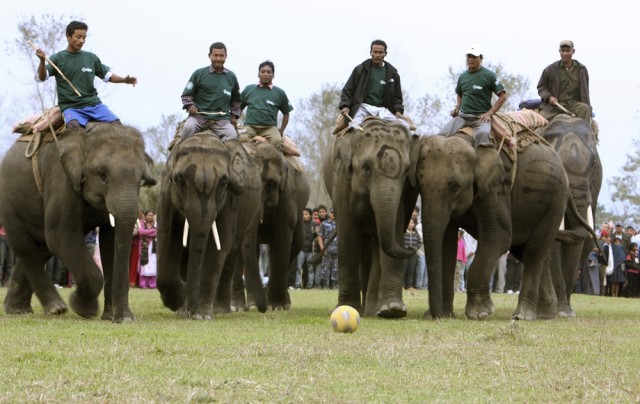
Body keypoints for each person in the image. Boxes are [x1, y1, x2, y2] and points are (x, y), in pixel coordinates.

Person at [35, 20, 137, 128]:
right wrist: (42, 61)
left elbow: (108, 75)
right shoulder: (58, 58)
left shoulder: (91, 58)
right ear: (68, 36)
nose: (82, 41)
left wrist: (124, 80)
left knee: (118, 127)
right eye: (78, 37)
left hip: (94, 105)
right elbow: (41, 77)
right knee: (73, 131)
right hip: (72, 108)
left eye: (84, 38)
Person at [438, 45, 507, 148]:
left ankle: (482, 161)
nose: (471, 59)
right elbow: (460, 94)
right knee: (441, 135)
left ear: (481, 58)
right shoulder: (463, 76)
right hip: (463, 116)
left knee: (482, 135)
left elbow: (503, 96)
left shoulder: (489, 75)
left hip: (480, 118)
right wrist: (458, 107)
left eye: (474, 57)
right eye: (469, 56)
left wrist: (490, 113)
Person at [339, 39, 409, 131]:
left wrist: (398, 111)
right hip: (363, 107)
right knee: (353, 128)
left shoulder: (393, 74)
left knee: (405, 127)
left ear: (385, 54)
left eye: (380, 52)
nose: (377, 55)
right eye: (375, 52)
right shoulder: (360, 70)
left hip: (383, 110)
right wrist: (345, 106)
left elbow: (397, 97)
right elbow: (348, 90)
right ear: (370, 52)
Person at [178, 42, 241, 141]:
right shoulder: (199, 73)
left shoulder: (231, 77)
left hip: (222, 121)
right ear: (209, 56)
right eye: (215, 55)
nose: (218, 58)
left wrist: (234, 116)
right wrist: (190, 106)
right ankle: (176, 153)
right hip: (198, 118)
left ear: (226, 56)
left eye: (221, 55)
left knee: (232, 135)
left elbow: (236, 101)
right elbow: (186, 96)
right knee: (187, 128)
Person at [240, 60, 293, 151]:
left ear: (273, 75)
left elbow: (286, 114)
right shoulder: (249, 89)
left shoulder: (279, 93)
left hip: (269, 128)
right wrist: (235, 122)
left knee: (276, 141)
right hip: (250, 126)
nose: (265, 74)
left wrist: (281, 131)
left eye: (269, 72)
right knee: (239, 138)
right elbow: (238, 108)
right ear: (258, 74)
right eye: (263, 72)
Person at [537, 40, 591, 124]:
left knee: (585, 109)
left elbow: (585, 92)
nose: (565, 53)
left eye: (568, 51)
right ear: (559, 51)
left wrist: (588, 107)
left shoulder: (582, 69)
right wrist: (549, 97)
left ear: (573, 51)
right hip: (554, 107)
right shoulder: (550, 69)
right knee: (540, 122)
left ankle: (586, 136)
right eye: (562, 51)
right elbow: (541, 87)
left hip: (573, 105)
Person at [317, 209, 338, 289]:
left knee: (335, 269)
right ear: (329, 214)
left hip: (337, 250)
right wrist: (322, 248)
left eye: (334, 213)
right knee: (325, 268)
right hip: (327, 249)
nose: (333, 214)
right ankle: (324, 285)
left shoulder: (339, 224)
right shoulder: (324, 224)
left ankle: (334, 285)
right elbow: (319, 236)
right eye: (332, 213)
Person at [295, 208, 315, 290]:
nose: (304, 216)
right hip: (301, 250)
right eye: (303, 214)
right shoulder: (299, 225)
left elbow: (317, 236)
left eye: (306, 214)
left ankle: (310, 285)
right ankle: (297, 285)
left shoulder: (314, 225)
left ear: (310, 215)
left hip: (310, 250)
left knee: (310, 269)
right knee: (299, 268)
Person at [139, 210, 158, 289]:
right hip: (144, 248)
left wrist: (147, 232)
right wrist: (152, 231)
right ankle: (143, 284)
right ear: (145, 216)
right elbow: (141, 232)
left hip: (153, 248)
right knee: (144, 265)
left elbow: (157, 233)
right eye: (148, 215)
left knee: (153, 265)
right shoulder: (142, 224)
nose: (150, 217)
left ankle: (152, 284)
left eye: (151, 215)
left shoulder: (156, 224)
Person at [403, 219, 421, 293]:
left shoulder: (416, 234)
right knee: (403, 269)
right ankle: (402, 286)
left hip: (413, 254)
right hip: (405, 253)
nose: (410, 224)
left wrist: (416, 248)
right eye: (409, 222)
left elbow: (419, 243)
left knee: (411, 270)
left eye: (412, 223)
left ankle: (409, 286)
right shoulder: (403, 233)